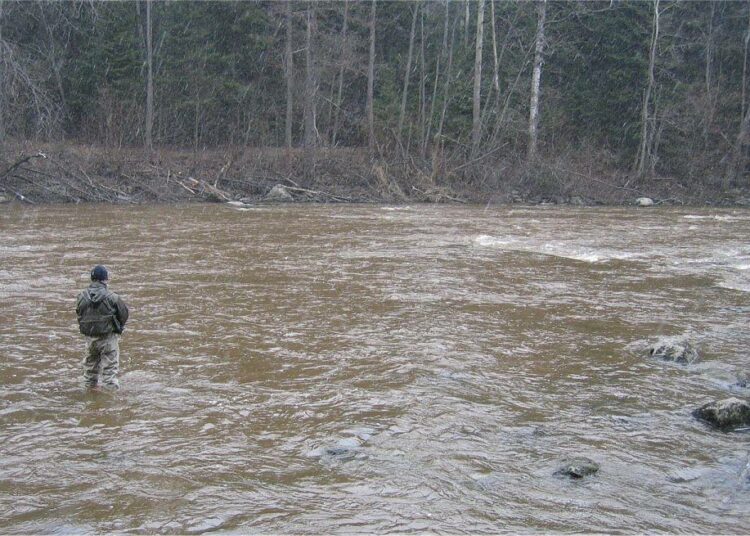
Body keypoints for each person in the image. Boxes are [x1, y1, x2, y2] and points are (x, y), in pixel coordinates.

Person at [76, 265, 129, 389]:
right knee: (109, 374)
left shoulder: (81, 297)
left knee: (89, 374)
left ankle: (89, 400)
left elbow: (79, 314)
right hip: (108, 339)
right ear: (105, 279)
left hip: (90, 339)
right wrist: (118, 328)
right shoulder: (112, 297)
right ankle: (109, 403)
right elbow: (124, 314)